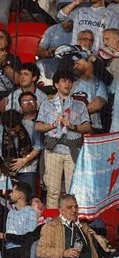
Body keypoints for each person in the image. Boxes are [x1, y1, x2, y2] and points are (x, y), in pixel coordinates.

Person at [35, 70, 91, 208]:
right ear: (56, 84)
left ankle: (72, 222)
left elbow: (88, 127)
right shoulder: (47, 104)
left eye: (69, 81)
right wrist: (52, 125)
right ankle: (53, 224)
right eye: (64, 80)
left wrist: (73, 126)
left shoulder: (80, 104)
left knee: (73, 192)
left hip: (73, 151)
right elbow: (37, 126)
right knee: (53, 192)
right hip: (53, 150)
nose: (67, 83)